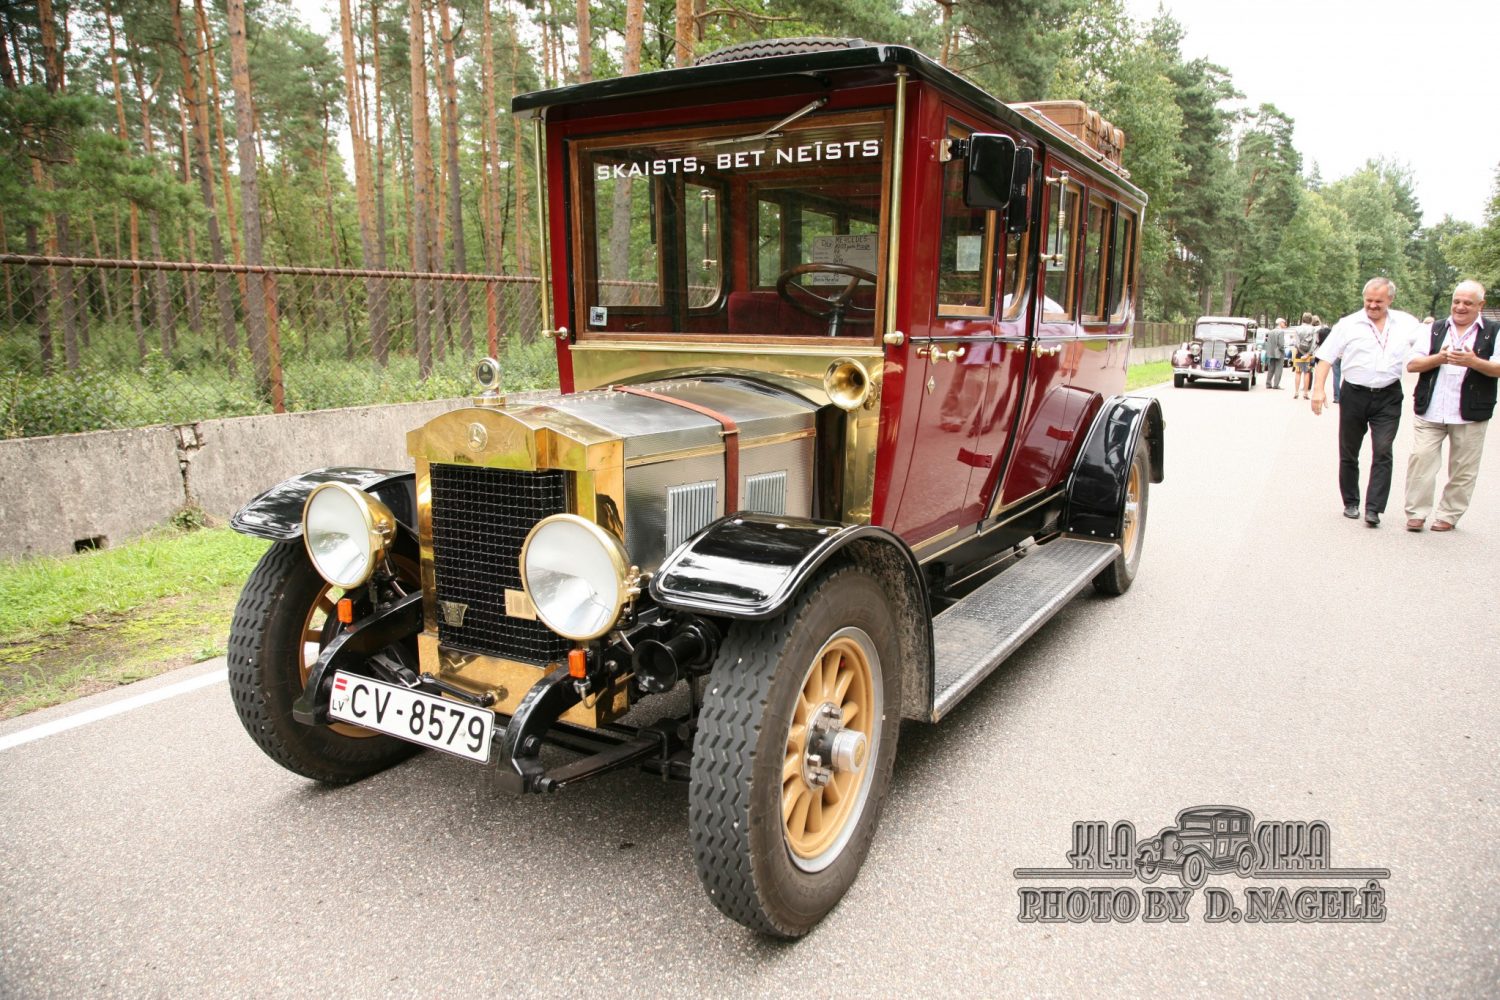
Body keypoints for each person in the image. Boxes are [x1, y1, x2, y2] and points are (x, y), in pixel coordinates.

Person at [1311, 277, 1423, 527]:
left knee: (1383, 450)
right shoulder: (1348, 324)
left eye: (1378, 301)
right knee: (1349, 451)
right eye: (1368, 300)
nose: (1372, 305)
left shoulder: (1407, 323)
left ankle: (1374, 508)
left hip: (1388, 395)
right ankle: (1351, 501)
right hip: (1354, 394)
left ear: (1390, 299)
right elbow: (1326, 357)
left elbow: (1429, 344)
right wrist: (1318, 390)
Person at [1402, 281, 1499, 531]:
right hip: (1431, 409)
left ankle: (1448, 515)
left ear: (1481, 305)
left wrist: (1473, 361)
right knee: (1421, 459)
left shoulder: (1494, 331)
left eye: (1467, 303)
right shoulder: (1434, 329)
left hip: (1471, 412)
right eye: (1456, 301)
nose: (1460, 307)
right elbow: (1412, 364)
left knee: (1463, 469)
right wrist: (1440, 358)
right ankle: (1416, 513)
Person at [1290, 312, 1318, 398]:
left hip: (1299, 353)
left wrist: (1301, 352)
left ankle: (1296, 392)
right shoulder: (1313, 329)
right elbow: (1314, 343)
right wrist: (1308, 354)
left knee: (1298, 372)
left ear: (1302, 319)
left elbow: (1296, 343)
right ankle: (1305, 393)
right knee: (1307, 373)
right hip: (1309, 354)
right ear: (1311, 320)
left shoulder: (1297, 329)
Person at [1263, 318, 1287, 389]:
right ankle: (1276, 385)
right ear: (1280, 323)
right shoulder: (1281, 332)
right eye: (1284, 323)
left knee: (1271, 369)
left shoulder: (1271, 331)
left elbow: (1268, 342)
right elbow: (1281, 344)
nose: (1284, 324)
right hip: (1279, 353)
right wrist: (1283, 350)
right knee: (1278, 369)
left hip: (1271, 352)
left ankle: (1268, 383)